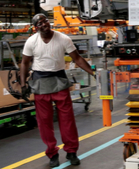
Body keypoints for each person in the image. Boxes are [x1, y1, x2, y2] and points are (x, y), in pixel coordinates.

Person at [20, 14, 94, 167]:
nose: (44, 24)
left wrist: (94, 73)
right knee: (44, 122)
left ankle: (71, 152)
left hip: (59, 81)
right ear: (36, 28)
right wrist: (23, 84)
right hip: (40, 82)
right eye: (40, 23)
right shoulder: (31, 41)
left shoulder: (63, 39)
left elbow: (77, 58)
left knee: (67, 120)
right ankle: (52, 153)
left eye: (46, 21)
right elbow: (24, 63)